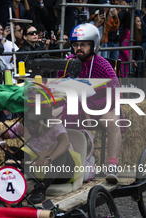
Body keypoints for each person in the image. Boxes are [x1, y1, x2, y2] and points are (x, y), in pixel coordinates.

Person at [58, 23, 123, 183]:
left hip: (99, 106)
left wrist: (93, 106)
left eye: (83, 45)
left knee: (114, 122)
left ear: (93, 45)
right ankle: (64, 162)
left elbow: (115, 91)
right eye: (76, 45)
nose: (78, 48)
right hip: (74, 106)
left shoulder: (102, 65)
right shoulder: (67, 63)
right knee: (49, 119)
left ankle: (112, 166)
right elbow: (59, 86)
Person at [0, 106, 76, 204]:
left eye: (34, 123)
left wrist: (48, 159)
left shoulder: (53, 124)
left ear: (42, 121)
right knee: (12, 151)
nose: (30, 126)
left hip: (61, 172)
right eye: (28, 123)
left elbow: (65, 142)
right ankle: (11, 185)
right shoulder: (23, 127)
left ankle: (41, 188)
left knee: (63, 152)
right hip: (38, 168)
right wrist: (1, 143)